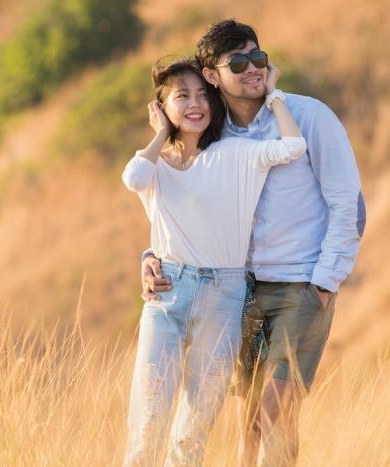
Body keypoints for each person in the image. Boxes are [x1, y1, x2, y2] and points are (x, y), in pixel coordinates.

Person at [141, 20, 366, 466]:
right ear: (212, 75)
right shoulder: (211, 134)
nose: (253, 69)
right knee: (252, 424)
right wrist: (151, 256)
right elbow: (179, 208)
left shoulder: (308, 117)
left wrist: (325, 282)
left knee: (272, 411)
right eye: (238, 63)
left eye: (258, 58)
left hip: (301, 286)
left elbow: (349, 206)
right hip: (237, 292)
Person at [122, 56, 307, 466]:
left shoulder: (233, 153)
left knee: (192, 432)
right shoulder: (154, 165)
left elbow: (293, 146)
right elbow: (133, 179)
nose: (195, 104)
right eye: (182, 96)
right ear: (161, 107)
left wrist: (273, 93)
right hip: (168, 293)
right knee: (148, 423)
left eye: (203, 95)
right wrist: (161, 134)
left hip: (223, 296)